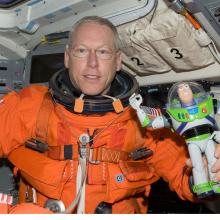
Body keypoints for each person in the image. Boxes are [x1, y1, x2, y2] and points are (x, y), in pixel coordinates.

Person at [1, 16, 220, 214]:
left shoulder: (145, 121)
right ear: (67, 57)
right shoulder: (30, 106)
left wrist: (209, 172)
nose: (92, 63)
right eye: (82, 51)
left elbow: (185, 177)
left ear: (117, 61)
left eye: (103, 52)